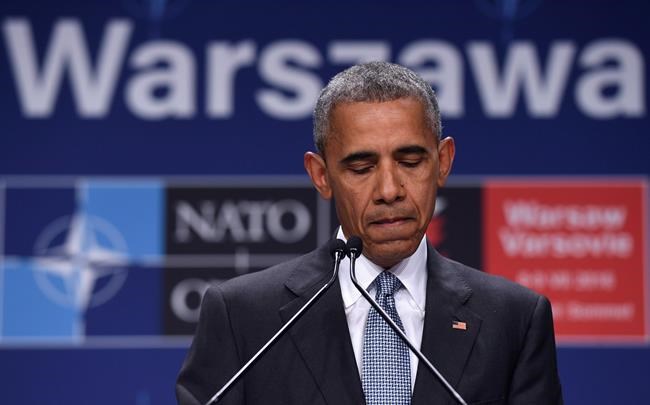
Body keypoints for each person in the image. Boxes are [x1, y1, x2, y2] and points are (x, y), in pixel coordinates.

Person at [176, 62, 564, 405]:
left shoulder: (513, 319)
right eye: (361, 168)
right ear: (321, 175)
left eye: (410, 162)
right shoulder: (244, 318)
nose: (389, 190)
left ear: (443, 163)